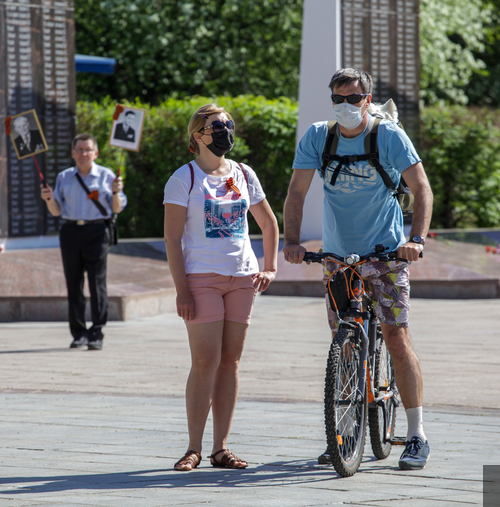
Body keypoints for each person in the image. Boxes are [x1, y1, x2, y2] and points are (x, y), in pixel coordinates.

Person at [283, 68, 434, 470]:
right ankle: (345, 434)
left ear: (367, 99)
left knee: (396, 338)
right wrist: (293, 242)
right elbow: (296, 192)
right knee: (343, 342)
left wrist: (415, 240)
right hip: (337, 258)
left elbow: (421, 189)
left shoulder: (388, 136)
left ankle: (417, 434)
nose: (346, 106)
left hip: (386, 255)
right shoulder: (319, 136)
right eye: (339, 99)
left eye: (354, 98)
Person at [164, 104, 279, 471]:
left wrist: (270, 267)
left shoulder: (244, 173)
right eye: (217, 125)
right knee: (205, 362)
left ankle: (220, 449)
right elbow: (172, 238)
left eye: (228, 124)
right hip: (202, 279)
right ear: (198, 134)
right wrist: (182, 290)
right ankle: (193, 447)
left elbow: (269, 223)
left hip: (242, 278)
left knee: (230, 363)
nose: (225, 130)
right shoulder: (184, 178)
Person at [40, 133, 126, 350]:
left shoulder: (107, 176)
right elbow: (57, 211)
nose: (83, 154)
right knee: (73, 283)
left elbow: (116, 208)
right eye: (79, 150)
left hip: (97, 231)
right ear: (72, 153)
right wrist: (49, 198)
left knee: (97, 284)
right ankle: (78, 333)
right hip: (70, 232)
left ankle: (96, 332)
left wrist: (116, 192)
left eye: (87, 150)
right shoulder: (64, 177)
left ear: (95, 153)